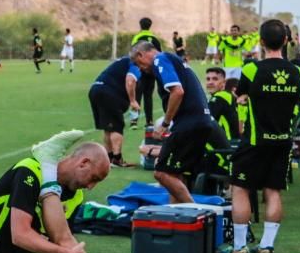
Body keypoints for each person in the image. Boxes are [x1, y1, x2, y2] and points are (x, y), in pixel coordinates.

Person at [230, 19, 300, 253]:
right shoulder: (296, 71)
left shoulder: (251, 69)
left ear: (260, 42)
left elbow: (239, 94)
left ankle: (239, 247)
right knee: (273, 191)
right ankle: (266, 246)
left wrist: (243, 97)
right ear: (285, 40)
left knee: (240, 188)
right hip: (282, 140)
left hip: (254, 140)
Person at [130, 40, 215, 204]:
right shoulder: (173, 60)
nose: (140, 69)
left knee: (161, 173)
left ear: (141, 54)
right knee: (175, 174)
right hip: (202, 121)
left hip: (189, 123)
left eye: (137, 63)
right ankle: (176, 216)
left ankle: (194, 211)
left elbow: (177, 91)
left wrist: (165, 123)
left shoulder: (159, 59)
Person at [88, 56, 141, 167]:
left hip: (95, 89)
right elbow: (130, 81)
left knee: (108, 127)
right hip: (108, 93)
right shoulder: (134, 63)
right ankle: (117, 159)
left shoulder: (123, 60)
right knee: (116, 127)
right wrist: (133, 101)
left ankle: (109, 158)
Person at [130, 18, 162, 130]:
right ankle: (149, 122)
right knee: (148, 96)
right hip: (152, 70)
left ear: (140, 25)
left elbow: (133, 53)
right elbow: (159, 55)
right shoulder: (155, 38)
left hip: (140, 69)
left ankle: (134, 121)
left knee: (137, 94)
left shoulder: (137, 37)